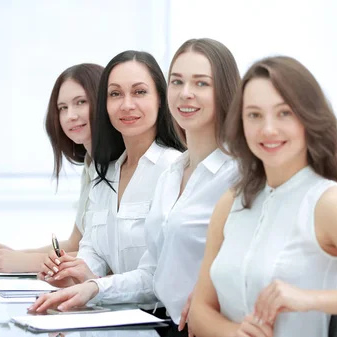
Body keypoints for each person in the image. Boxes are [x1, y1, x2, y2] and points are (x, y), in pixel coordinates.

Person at [188, 56, 337, 337]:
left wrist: (311, 298)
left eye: (284, 113)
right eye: (254, 115)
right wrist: (235, 333)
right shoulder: (231, 202)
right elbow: (200, 311)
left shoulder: (328, 203)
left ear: (307, 118)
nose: (268, 129)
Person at [30, 38, 241, 337]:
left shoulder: (236, 174)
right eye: (178, 82)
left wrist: (211, 297)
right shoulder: (173, 174)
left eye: (201, 83)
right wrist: (86, 283)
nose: (186, 94)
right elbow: (152, 274)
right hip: (160, 324)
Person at [37, 50, 186, 288]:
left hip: (158, 320)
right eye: (115, 94)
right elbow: (92, 252)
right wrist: (70, 273)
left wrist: (95, 285)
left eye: (139, 92)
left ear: (161, 98)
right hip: (113, 314)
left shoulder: (174, 168)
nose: (127, 105)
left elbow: (161, 275)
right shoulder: (105, 174)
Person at [0, 63, 104, 272]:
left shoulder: (119, 167)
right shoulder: (91, 165)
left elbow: (104, 258)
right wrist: (13, 255)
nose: (70, 115)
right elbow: (74, 244)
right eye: (63, 108)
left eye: (80, 102)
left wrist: (24, 262)